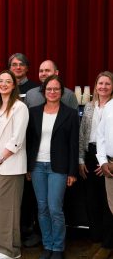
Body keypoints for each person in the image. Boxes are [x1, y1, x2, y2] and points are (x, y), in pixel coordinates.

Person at [27, 75, 79, 259]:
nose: (52, 92)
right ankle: (47, 245)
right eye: (49, 89)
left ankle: (58, 247)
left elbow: (74, 144)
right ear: (43, 91)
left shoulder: (70, 114)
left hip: (59, 167)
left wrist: (72, 171)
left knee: (55, 207)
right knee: (42, 208)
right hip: (37, 166)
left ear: (62, 92)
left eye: (56, 89)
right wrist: (28, 168)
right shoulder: (33, 112)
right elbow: (29, 142)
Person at [0, 70, 29, 259]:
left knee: (8, 207)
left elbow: (16, 140)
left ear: (13, 85)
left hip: (8, 161)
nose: (3, 84)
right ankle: (1, 244)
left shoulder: (19, 107)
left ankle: (10, 251)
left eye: (7, 81)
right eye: (0, 81)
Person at [89, 72, 113, 258]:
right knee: (94, 202)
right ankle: (97, 241)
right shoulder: (90, 106)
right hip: (93, 156)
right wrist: (83, 160)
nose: (103, 86)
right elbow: (85, 134)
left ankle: (108, 243)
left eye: (107, 83)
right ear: (95, 86)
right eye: (100, 83)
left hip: (106, 159)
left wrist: (105, 161)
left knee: (108, 204)